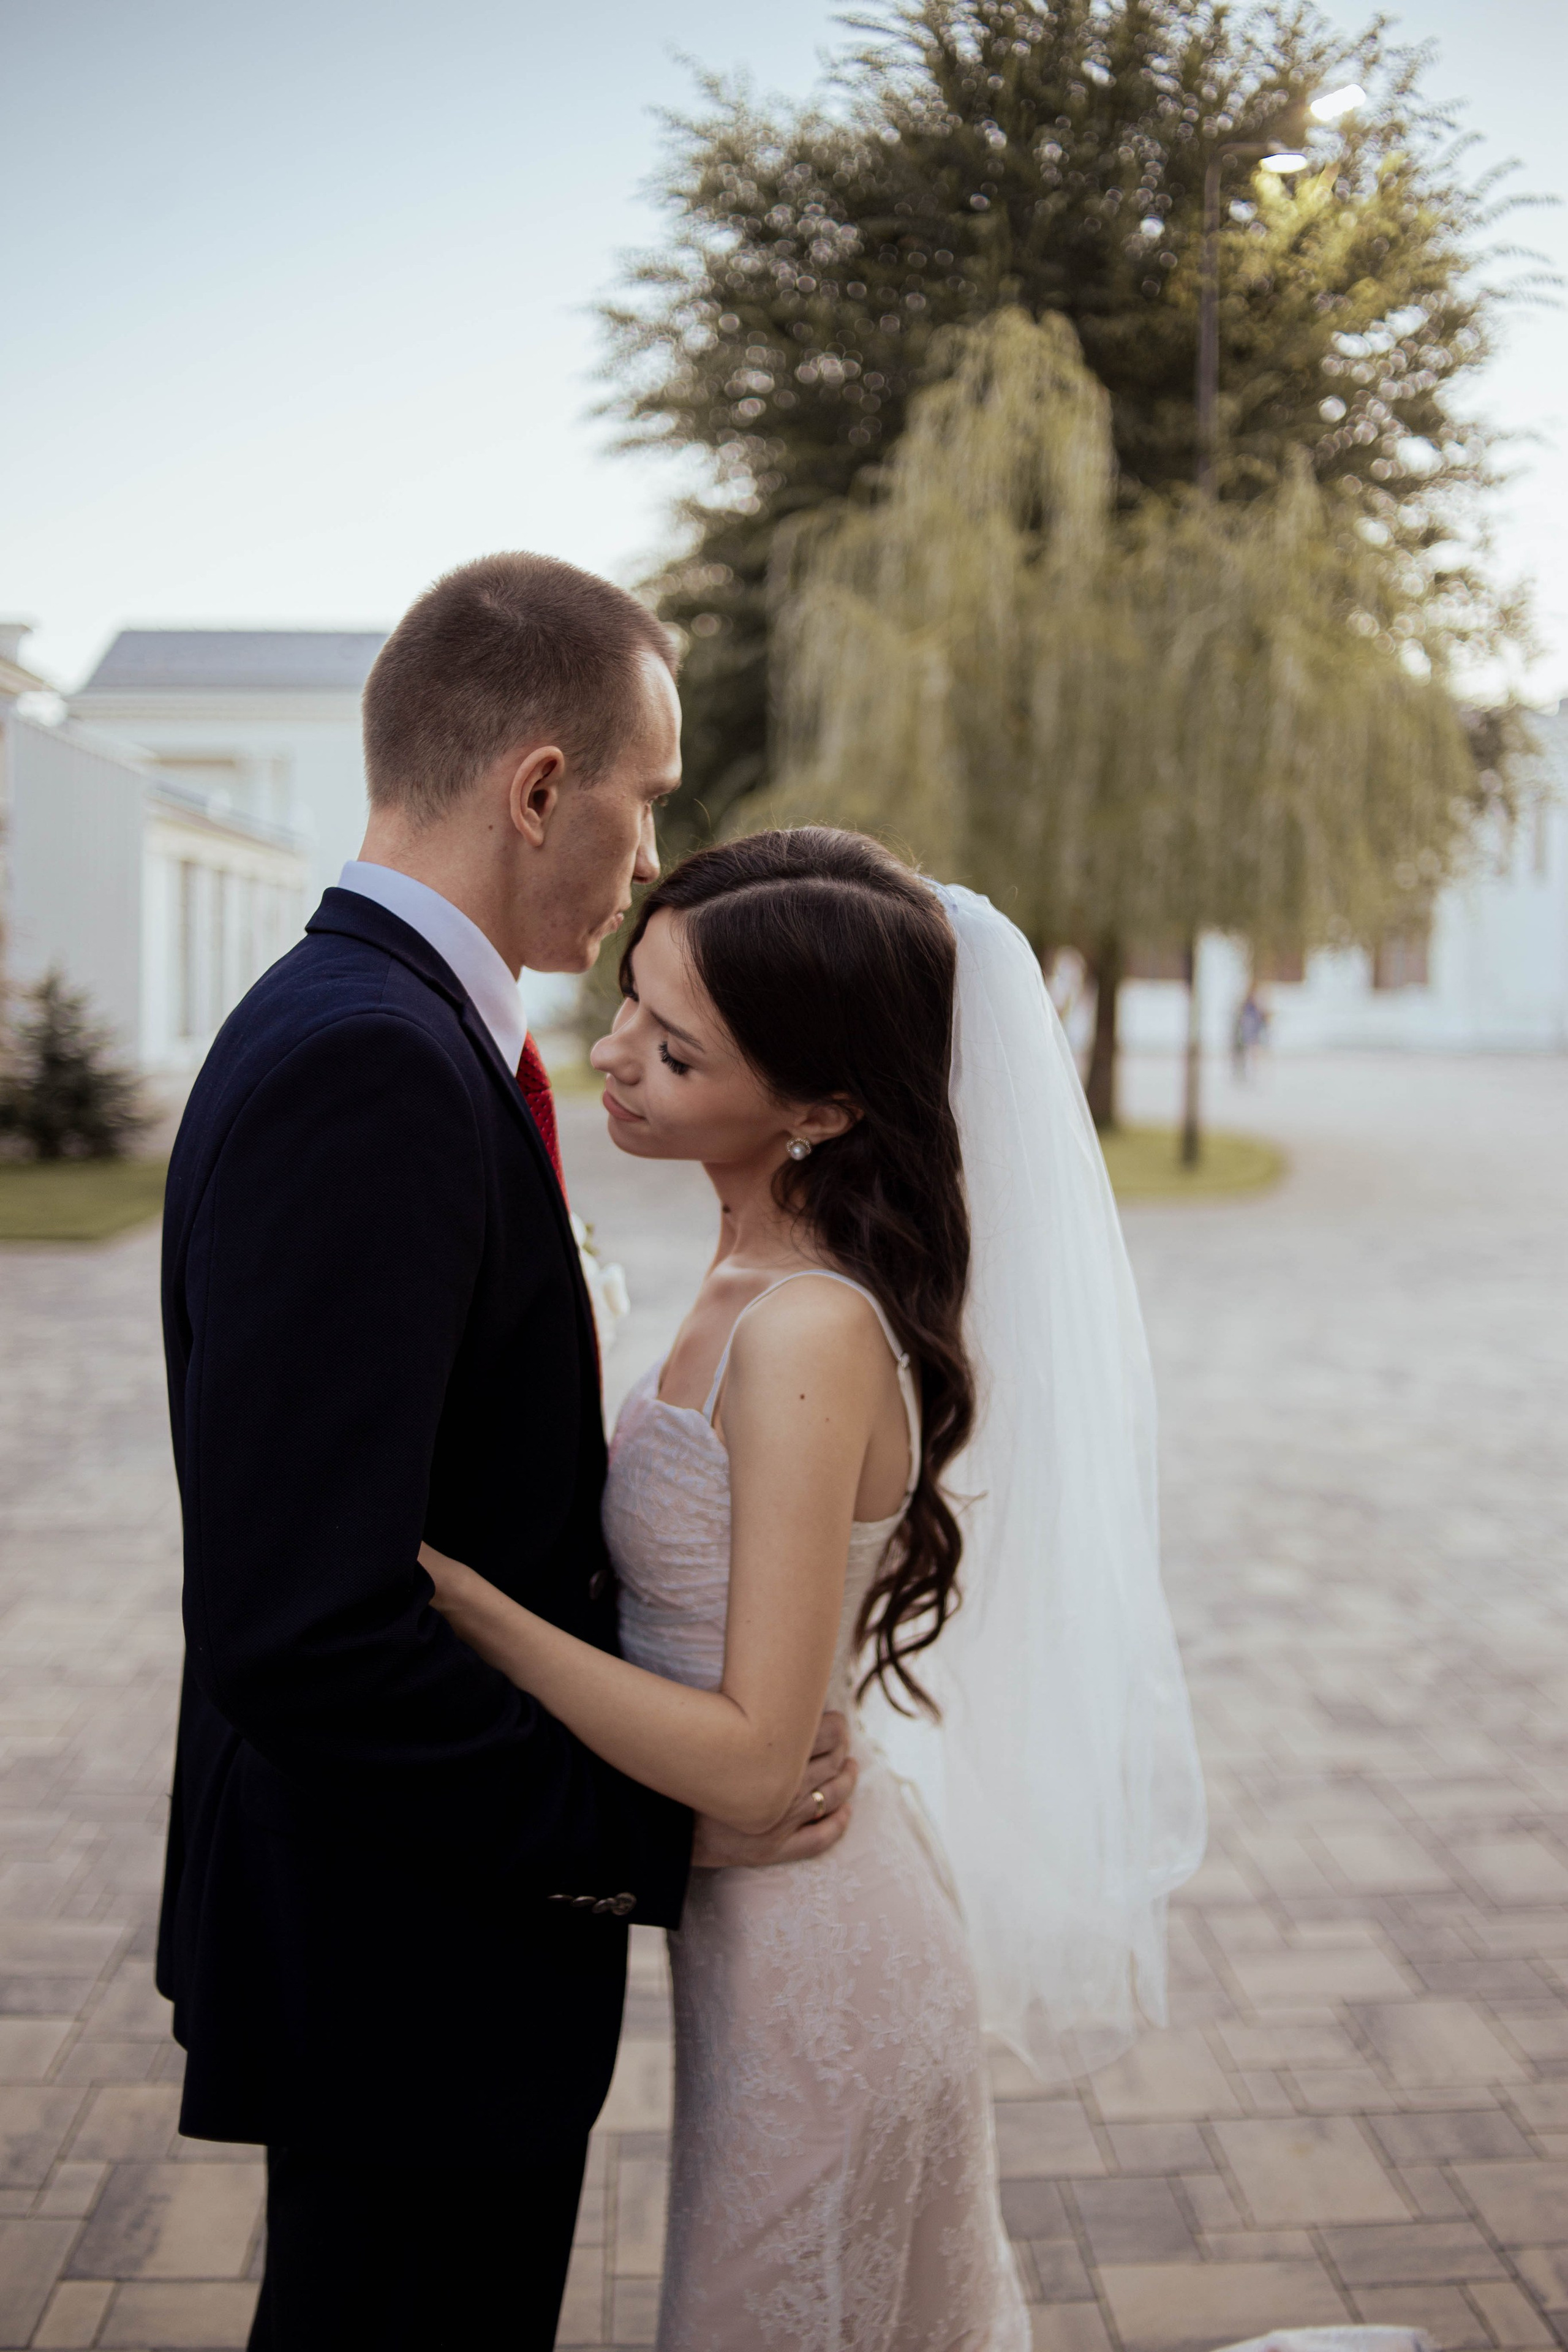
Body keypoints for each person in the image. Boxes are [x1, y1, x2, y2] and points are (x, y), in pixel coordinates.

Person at [154, 556, 857, 2352]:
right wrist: (661, 1820)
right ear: (541, 785)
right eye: (644, 802)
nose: (646, 863)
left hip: (407, 1933)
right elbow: (306, 1622)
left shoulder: (372, 1025)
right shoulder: (369, 1065)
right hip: (412, 1951)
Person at [423, 827, 1208, 2348]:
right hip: (753, 1949)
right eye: (634, 1000)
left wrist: (475, 1614)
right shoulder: (733, 1280)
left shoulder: (805, 1335)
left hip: (817, 1967)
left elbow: (754, 1758)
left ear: (824, 1107)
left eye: (681, 1049)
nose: (620, 1056)